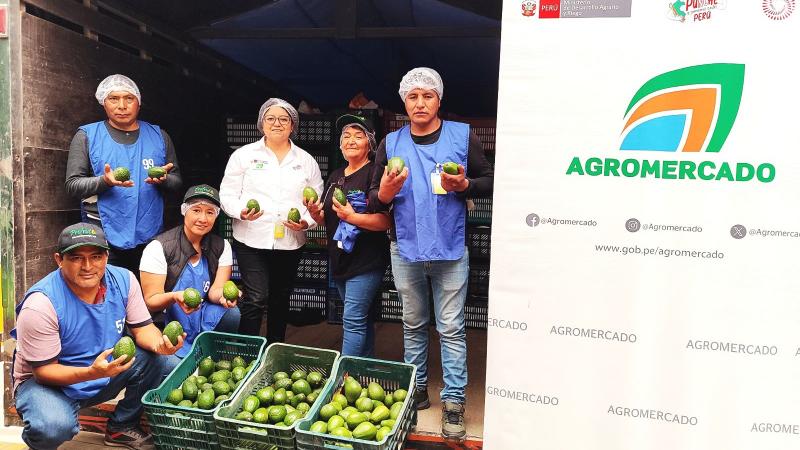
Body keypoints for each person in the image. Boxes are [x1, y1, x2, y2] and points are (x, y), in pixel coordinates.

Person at [368, 67, 494, 440]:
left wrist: (465, 184)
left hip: (450, 248)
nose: (420, 102)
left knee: (451, 327)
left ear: (439, 100)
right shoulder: (390, 143)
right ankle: (417, 389)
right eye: (413, 96)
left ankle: (454, 402)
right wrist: (386, 192)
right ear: (404, 102)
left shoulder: (462, 136)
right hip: (405, 247)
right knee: (413, 323)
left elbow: (489, 179)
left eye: (428, 95)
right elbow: (374, 197)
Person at [11, 223, 185, 450]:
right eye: (76, 258)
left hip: (102, 371)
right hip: (48, 385)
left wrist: (161, 345)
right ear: (59, 260)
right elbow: (44, 372)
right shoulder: (41, 305)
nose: (87, 266)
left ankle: (121, 426)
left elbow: (143, 329)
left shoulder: (124, 280)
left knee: (166, 362)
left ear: (106, 256)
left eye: (96, 256)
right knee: (52, 426)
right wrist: (92, 373)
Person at [219, 98, 323, 343]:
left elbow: (316, 200)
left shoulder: (306, 160)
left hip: (290, 240)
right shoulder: (243, 156)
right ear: (262, 124)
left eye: (284, 119)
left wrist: (305, 222)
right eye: (271, 118)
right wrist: (240, 212)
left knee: (281, 297)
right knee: (256, 297)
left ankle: (274, 349)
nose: (277, 123)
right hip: (250, 239)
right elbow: (227, 194)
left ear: (292, 126)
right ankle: (247, 353)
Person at [65, 74, 182, 274]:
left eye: (129, 98)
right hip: (102, 234)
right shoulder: (87, 136)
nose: (122, 106)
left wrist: (164, 180)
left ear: (139, 102)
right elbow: (72, 185)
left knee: (146, 290)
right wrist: (105, 181)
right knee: (108, 289)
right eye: (113, 98)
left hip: (150, 233)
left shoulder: (160, 136)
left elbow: (177, 182)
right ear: (103, 102)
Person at [307, 114, 390, 357]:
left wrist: (352, 217)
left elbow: (386, 221)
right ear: (340, 144)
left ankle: (344, 375)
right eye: (346, 136)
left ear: (369, 144)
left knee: (352, 320)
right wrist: (315, 214)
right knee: (361, 318)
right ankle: (364, 368)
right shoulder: (336, 176)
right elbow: (328, 218)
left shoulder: (375, 174)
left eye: (358, 136)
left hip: (366, 261)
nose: (351, 140)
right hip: (340, 260)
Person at [140, 185, 240, 366]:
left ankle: (213, 357)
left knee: (231, 314)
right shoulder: (159, 247)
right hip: (168, 320)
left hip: (200, 312)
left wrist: (224, 296)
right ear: (184, 211)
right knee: (171, 367)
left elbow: (214, 291)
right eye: (196, 210)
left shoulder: (221, 246)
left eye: (210, 212)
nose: (203, 218)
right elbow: (151, 301)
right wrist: (175, 297)